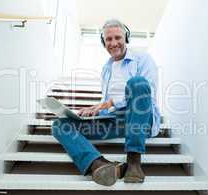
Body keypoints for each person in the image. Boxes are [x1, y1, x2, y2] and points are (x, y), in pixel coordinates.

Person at [52, 19, 160, 186]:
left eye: (118, 38)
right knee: (60, 124)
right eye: (109, 39)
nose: (114, 43)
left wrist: (109, 103)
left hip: (140, 119)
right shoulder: (106, 68)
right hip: (115, 121)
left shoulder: (143, 59)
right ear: (104, 43)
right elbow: (107, 103)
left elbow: (146, 93)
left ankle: (133, 163)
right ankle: (99, 165)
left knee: (137, 83)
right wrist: (92, 112)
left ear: (126, 38)